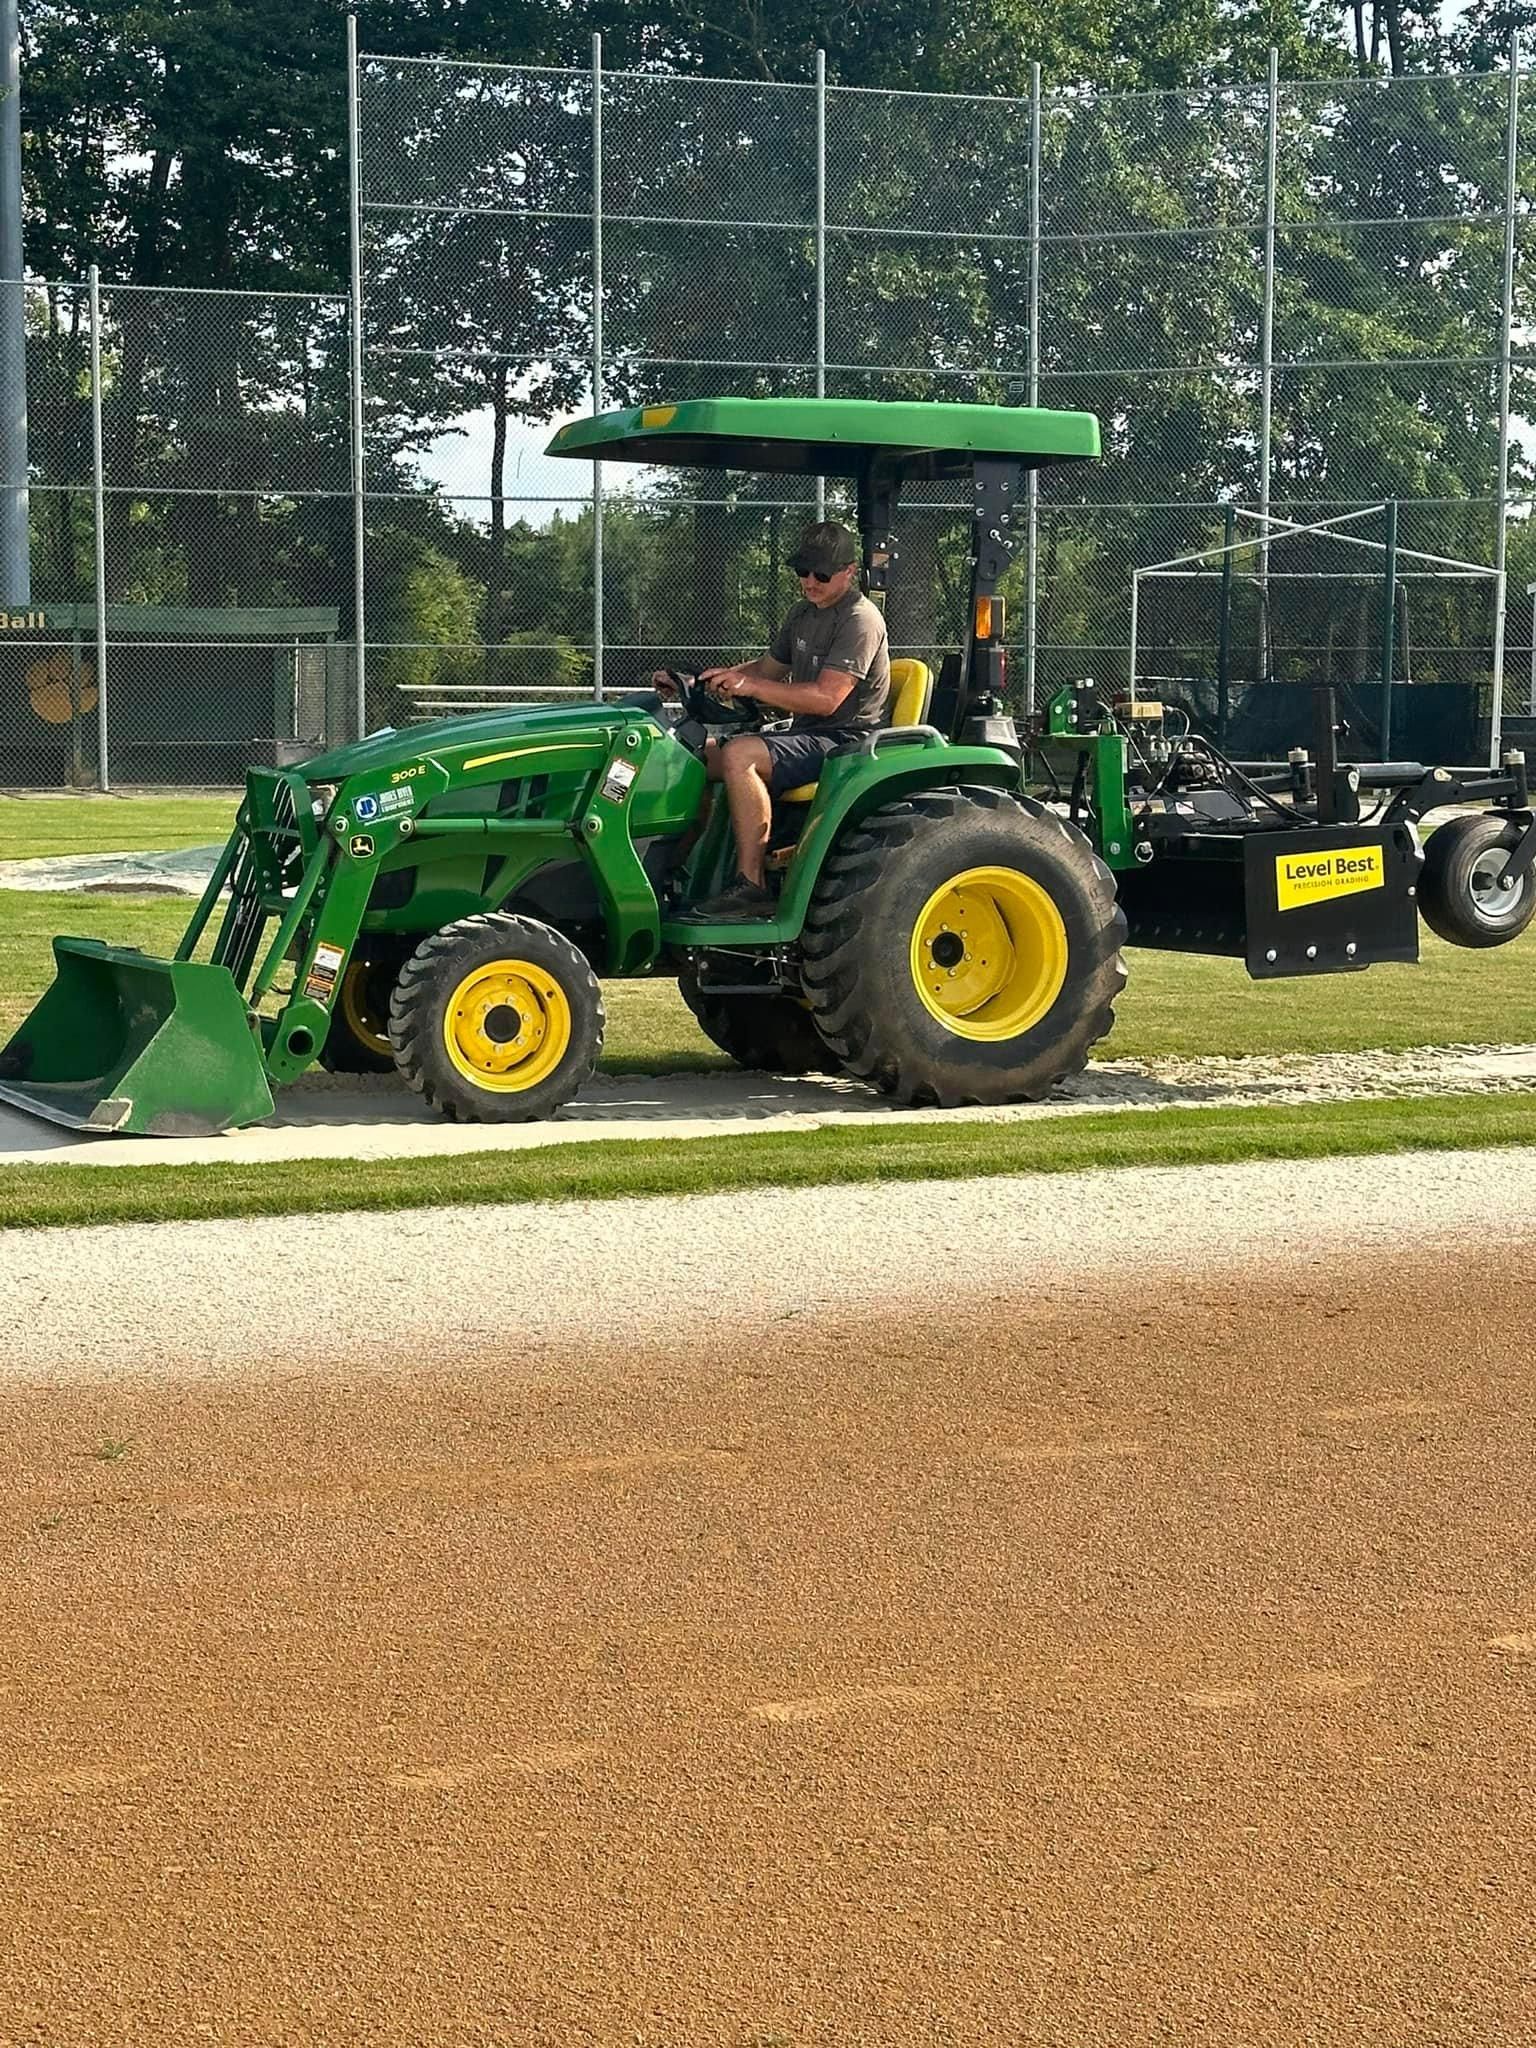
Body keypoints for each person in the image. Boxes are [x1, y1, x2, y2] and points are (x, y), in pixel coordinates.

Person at [660, 519, 890, 921]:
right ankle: (671, 873)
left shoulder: (859, 619)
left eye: (821, 574)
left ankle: (750, 884)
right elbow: (768, 668)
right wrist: (709, 680)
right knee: (691, 755)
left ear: (850, 571)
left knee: (739, 755)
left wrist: (748, 685)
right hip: (806, 733)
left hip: (845, 741)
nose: (810, 582)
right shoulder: (803, 613)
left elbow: (825, 698)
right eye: (804, 572)